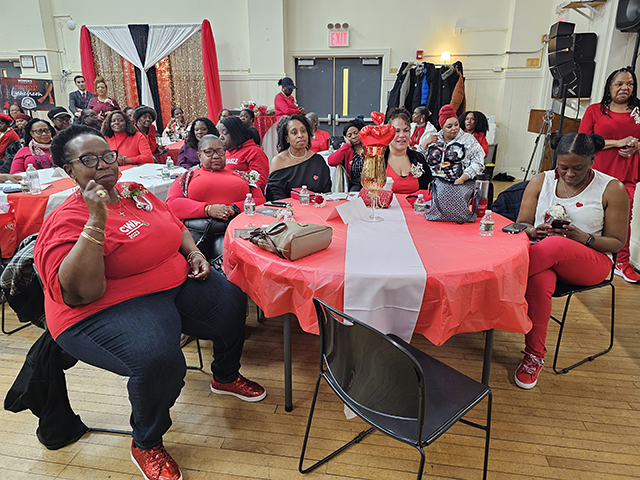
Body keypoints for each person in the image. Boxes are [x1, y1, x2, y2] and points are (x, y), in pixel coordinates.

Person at [35, 124, 266, 480]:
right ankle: (146, 442)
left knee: (231, 299)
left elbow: (175, 225)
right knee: (158, 359)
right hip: (105, 308)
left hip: (172, 282)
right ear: (70, 170)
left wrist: (193, 253)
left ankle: (225, 375)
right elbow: (81, 293)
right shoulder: (66, 219)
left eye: (107, 155)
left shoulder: (135, 192)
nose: (103, 164)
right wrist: (97, 220)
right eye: (89, 160)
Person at [514, 133, 629, 389]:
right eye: (563, 167)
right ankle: (534, 355)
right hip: (544, 259)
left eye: (578, 168)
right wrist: (533, 231)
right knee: (540, 280)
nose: (568, 174)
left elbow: (617, 242)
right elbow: (522, 223)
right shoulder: (541, 180)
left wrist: (583, 237)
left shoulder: (612, 188)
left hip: (591, 261)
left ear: (592, 161)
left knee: (555, 244)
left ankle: (500, 285)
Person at [579, 67, 640, 283]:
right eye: (619, 84)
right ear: (609, 87)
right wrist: (617, 142)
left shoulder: (638, 112)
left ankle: (622, 262)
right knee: (589, 214)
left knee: (624, 219)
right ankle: (585, 256)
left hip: (626, 175)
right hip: (596, 174)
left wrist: (637, 146)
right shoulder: (595, 110)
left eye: (630, 84)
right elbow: (584, 140)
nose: (625, 88)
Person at [167, 134, 265, 221]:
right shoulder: (187, 177)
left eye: (220, 151)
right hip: (200, 230)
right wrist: (207, 209)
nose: (216, 156)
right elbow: (171, 204)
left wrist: (234, 208)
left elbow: (260, 200)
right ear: (199, 156)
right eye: (209, 152)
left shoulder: (242, 176)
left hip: (241, 224)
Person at [266, 114, 331, 200]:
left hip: (315, 206)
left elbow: (326, 193)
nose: (300, 135)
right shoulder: (278, 161)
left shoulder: (318, 160)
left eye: (303, 131)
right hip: (286, 207)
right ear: (287, 138)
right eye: (294, 132)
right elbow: (275, 195)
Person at [421, 104, 485, 185]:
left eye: (456, 124)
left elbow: (478, 162)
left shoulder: (468, 140)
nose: (454, 128)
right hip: (433, 184)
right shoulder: (433, 139)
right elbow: (418, 162)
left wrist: (463, 178)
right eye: (449, 126)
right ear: (442, 127)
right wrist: (424, 145)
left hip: (460, 185)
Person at [384, 108, 432, 194]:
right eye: (397, 131)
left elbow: (429, 188)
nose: (402, 135)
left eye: (406, 131)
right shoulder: (378, 160)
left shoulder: (419, 158)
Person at [217, 116, 269, 192]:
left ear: (236, 133)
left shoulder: (254, 152)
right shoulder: (225, 152)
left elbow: (259, 182)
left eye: (224, 133)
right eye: (219, 133)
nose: (220, 137)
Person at [328, 119, 365, 191]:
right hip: (356, 184)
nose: (353, 136)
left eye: (356, 133)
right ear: (346, 138)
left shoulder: (370, 147)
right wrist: (347, 145)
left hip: (373, 182)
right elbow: (331, 161)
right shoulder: (347, 150)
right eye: (349, 135)